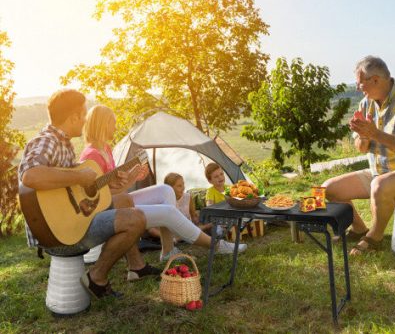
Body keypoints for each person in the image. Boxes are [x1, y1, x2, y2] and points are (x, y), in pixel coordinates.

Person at [18, 89, 150, 299]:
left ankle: (136, 266)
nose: (85, 120)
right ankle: (97, 277)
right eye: (84, 115)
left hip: (71, 222)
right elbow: (30, 177)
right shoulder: (47, 141)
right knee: (136, 219)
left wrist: (111, 182)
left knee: (124, 200)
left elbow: (74, 192)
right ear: (74, 117)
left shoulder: (65, 144)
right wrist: (80, 177)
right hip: (57, 235)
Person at [80, 105, 247, 261]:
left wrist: (134, 176)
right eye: (112, 123)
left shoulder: (106, 149)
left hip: (119, 201)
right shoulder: (92, 155)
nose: (115, 128)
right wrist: (130, 179)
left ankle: (168, 251)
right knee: (167, 212)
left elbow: (117, 186)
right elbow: (101, 197)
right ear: (102, 124)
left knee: (166, 190)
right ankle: (215, 245)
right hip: (107, 211)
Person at [322, 56, 395, 255]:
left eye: (360, 82)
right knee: (329, 188)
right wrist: (364, 137)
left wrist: (375, 134)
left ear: (375, 80)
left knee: (379, 184)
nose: (358, 88)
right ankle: (358, 228)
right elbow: (361, 148)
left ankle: (374, 237)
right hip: (378, 172)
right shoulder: (366, 104)